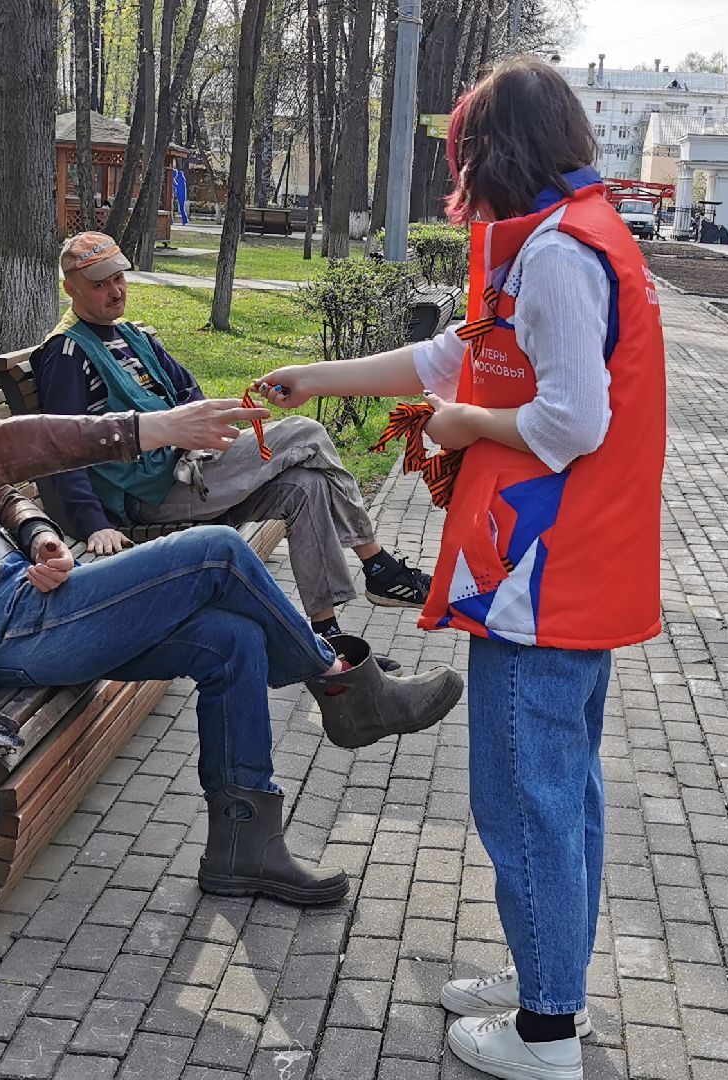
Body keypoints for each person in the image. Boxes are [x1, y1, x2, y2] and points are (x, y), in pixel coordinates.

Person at [254, 56, 666, 1080]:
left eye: (467, 152)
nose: (460, 172)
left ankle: (545, 1033)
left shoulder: (563, 257)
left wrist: (457, 426)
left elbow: (570, 422)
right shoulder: (549, 245)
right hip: (544, 567)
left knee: (525, 801)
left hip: (546, 574)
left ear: (495, 152)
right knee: (553, 795)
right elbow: (450, 356)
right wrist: (319, 377)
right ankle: (547, 982)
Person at [0, 277, 465, 906]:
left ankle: (244, 847)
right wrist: (149, 430)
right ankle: (343, 685)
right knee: (218, 553)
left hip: (16, 600)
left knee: (230, 640)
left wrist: (37, 532)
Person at [28, 231, 435, 669]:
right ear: (69, 286)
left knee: (307, 485)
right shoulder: (67, 353)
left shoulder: (133, 336)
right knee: (306, 431)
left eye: (118, 278)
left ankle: (326, 632)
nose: (115, 291)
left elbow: (191, 396)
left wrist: (235, 410)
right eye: (99, 284)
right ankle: (378, 566)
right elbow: (62, 448)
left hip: (195, 465)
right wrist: (93, 524)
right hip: (154, 492)